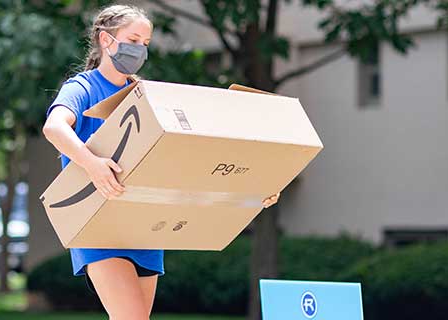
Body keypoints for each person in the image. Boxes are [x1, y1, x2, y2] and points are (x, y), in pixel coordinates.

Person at [40, 5, 280, 319]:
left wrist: (249, 191)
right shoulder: (83, 87)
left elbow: (179, 160)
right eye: (133, 39)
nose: (140, 49)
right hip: (99, 225)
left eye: (146, 43)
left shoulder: (144, 96)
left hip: (144, 228)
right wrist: (93, 164)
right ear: (106, 40)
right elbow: (54, 128)